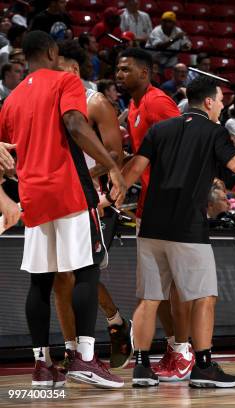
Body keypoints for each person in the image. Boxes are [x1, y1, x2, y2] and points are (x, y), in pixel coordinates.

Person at [120, 76, 235, 387]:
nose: (222, 105)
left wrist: (111, 194)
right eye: (220, 99)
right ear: (208, 102)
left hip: (151, 223)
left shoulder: (159, 129)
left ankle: (141, 369)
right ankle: (204, 367)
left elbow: (134, 169)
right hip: (187, 226)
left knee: (149, 298)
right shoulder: (213, 131)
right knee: (204, 297)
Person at [0, 30, 127, 388]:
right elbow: (74, 123)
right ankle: (84, 359)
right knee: (86, 271)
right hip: (69, 190)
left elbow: (3, 152)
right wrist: (113, 166)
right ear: (53, 51)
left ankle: (42, 365)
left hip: (33, 196)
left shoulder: (11, 100)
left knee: (40, 280)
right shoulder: (64, 82)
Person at [53, 39, 132, 371]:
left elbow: (115, 155)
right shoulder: (49, 102)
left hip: (94, 197)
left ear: (72, 69)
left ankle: (112, 325)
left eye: (53, 69)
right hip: (59, 196)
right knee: (61, 276)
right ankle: (76, 350)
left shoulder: (95, 102)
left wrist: (80, 177)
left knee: (76, 272)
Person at [116, 47, 192, 382]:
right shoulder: (132, 104)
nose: (119, 74)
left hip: (172, 205)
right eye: (117, 69)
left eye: (125, 69)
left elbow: (186, 149)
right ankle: (175, 347)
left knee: (175, 286)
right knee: (156, 288)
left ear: (144, 72)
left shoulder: (158, 102)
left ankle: (186, 351)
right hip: (150, 204)